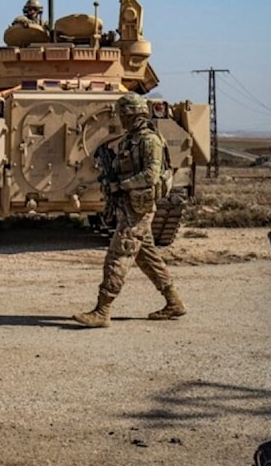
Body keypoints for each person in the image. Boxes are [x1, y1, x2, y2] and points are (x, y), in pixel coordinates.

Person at [72, 92, 186, 328]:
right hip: (130, 204)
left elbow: (150, 176)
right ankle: (174, 302)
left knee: (119, 253)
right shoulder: (131, 139)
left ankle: (103, 310)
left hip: (139, 207)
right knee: (147, 256)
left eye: (123, 114)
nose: (120, 120)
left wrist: (120, 185)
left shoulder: (148, 140)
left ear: (131, 114)